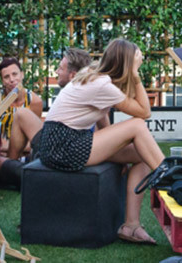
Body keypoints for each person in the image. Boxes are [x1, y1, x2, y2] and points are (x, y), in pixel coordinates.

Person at [30, 39, 164, 244]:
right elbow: (145, 112)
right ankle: (173, 181)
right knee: (137, 125)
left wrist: (116, 150)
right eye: (136, 62)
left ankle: (131, 226)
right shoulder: (101, 84)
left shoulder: (97, 77)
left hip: (63, 142)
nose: (139, 65)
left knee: (142, 154)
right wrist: (135, 75)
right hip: (63, 146)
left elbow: (101, 116)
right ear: (126, 64)